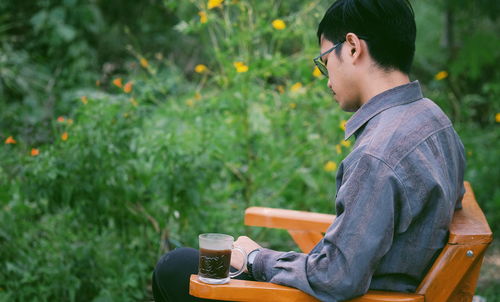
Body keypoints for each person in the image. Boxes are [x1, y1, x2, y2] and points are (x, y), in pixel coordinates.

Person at [152, 0, 466, 301]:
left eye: (325, 61)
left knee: (175, 267)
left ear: (353, 47)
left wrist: (255, 258)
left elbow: (337, 277)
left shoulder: (378, 154)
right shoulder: (434, 120)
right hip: (384, 286)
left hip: (365, 296)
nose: (326, 78)